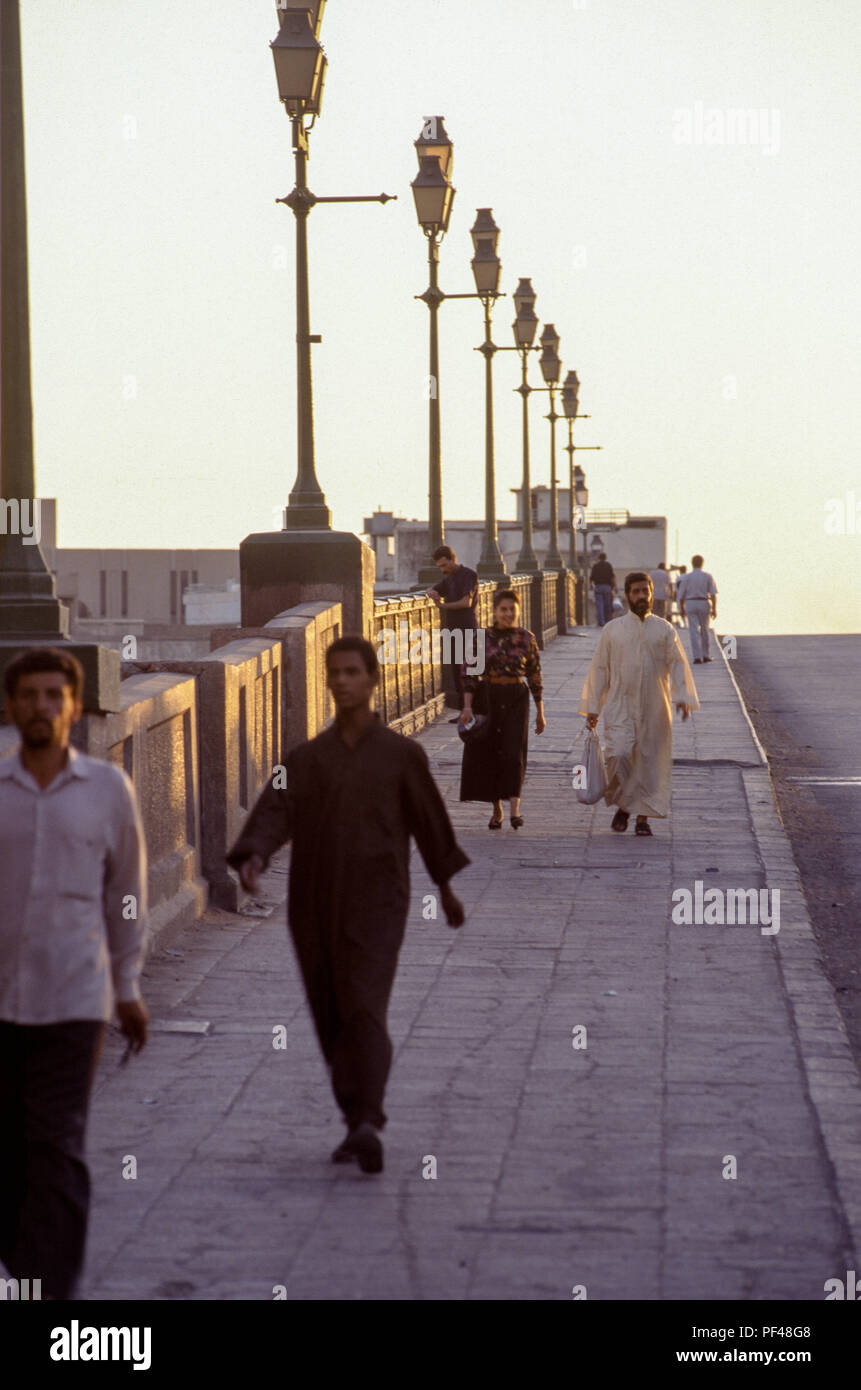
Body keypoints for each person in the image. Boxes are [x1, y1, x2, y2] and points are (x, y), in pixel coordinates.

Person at [226, 636, 469, 1175]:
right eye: (333, 672)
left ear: (373, 679)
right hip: (312, 904)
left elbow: (430, 822)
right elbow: (274, 810)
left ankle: (368, 1119)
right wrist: (254, 857)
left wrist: (445, 888)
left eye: (352, 672)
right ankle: (354, 1118)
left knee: (363, 1005)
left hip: (380, 901)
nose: (341, 681)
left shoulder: (402, 755)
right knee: (330, 1012)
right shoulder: (307, 758)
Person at [0, 647, 149, 1301]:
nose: (41, 707)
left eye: (54, 695)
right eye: (28, 695)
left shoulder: (108, 792)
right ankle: (26, 1265)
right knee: (10, 1157)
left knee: (57, 1147)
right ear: (10, 707)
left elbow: (128, 895)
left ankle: (51, 1295)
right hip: (2, 1003)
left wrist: (129, 987)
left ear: (75, 706)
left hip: (76, 999)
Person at [579, 573, 699, 837]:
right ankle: (624, 804)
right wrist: (593, 707)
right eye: (636, 591)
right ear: (627, 595)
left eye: (646, 591)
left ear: (652, 593)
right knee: (618, 755)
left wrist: (683, 697)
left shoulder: (664, 629)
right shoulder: (613, 630)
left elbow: (678, 663)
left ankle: (641, 818)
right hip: (620, 704)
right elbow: (600, 669)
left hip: (655, 707)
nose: (642, 596)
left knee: (649, 763)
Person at [458, 588, 545, 830]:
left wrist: (540, 711)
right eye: (503, 609)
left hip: (516, 697)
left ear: (518, 610)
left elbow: (535, 675)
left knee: (513, 750)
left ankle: (515, 809)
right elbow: (468, 673)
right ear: (495, 611)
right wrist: (466, 707)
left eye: (512, 609)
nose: (508, 614)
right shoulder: (480, 638)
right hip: (488, 697)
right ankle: (497, 809)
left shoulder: (526, 638)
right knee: (491, 752)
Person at [426, 545, 479, 721]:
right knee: (457, 672)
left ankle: (476, 710)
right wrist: (432, 592)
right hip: (452, 629)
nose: (443, 569)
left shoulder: (469, 575)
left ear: (452, 559)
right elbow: (436, 589)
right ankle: (464, 711)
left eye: (444, 565)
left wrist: (442, 606)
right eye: (440, 566)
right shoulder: (448, 579)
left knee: (470, 671)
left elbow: (466, 602)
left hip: (467, 628)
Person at [676, 555, 718, 664]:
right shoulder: (707, 576)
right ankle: (706, 655)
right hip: (704, 602)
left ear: (692, 563)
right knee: (705, 629)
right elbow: (713, 594)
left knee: (693, 630)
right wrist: (714, 608)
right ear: (702, 563)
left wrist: (682, 609)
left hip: (690, 602)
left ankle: (697, 657)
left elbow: (681, 595)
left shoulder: (686, 577)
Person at [589, 552, 616, 627]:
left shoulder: (595, 566)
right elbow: (612, 577)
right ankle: (608, 621)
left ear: (599, 558)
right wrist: (614, 587)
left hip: (598, 587)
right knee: (607, 605)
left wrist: (591, 585)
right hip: (607, 587)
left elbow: (591, 577)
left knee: (599, 605)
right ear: (605, 558)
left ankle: (601, 622)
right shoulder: (608, 565)